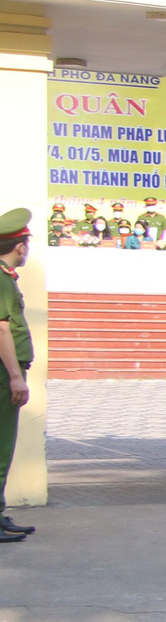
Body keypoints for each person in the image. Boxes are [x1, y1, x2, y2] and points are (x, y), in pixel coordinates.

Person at [0, 208, 35, 541]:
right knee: (0, 445)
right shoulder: (1, 279)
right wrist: (14, 376)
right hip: (2, 373)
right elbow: (1, 330)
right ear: (20, 246)